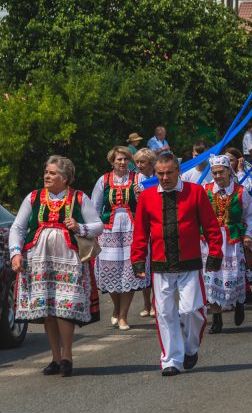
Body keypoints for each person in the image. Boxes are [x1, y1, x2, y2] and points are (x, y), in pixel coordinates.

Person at [9, 156, 104, 377]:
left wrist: (80, 227)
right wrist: (15, 253)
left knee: (65, 307)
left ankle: (68, 356)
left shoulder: (79, 198)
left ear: (65, 177)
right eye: (46, 172)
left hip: (68, 261)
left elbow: (98, 226)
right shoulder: (33, 198)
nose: (47, 176)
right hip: (38, 260)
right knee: (48, 309)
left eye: (52, 173)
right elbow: (18, 227)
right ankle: (55, 357)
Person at [131, 153, 224, 376]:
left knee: (192, 310)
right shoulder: (147, 197)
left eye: (169, 173)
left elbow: (211, 227)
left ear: (178, 171)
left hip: (190, 264)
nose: (164, 177)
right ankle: (171, 360)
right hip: (160, 265)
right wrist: (137, 258)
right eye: (160, 173)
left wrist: (215, 253)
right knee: (165, 314)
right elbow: (140, 232)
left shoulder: (195, 192)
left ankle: (191, 348)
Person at [92, 146, 147, 331]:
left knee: (129, 271)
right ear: (112, 161)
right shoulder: (103, 180)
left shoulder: (138, 178)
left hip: (132, 229)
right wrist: (94, 231)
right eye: (119, 160)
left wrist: (141, 196)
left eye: (125, 159)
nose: (123, 163)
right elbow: (95, 207)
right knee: (111, 272)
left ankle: (123, 316)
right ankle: (116, 307)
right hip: (109, 232)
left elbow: (149, 201)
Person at [203, 155, 252, 334]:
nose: (218, 176)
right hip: (211, 241)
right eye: (214, 173)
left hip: (233, 240)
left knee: (234, 276)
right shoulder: (206, 190)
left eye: (221, 172)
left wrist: (248, 235)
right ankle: (216, 318)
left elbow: (251, 216)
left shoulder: (240, 192)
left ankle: (239, 303)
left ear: (229, 171)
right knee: (211, 279)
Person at [133, 147, 156, 316]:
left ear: (151, 163)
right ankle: (146, 303)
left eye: (142, 162)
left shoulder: (158, 177)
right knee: (144, 263)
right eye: (137, 162)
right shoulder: (136, 178)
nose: (139, 165)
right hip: (142, 222)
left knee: (155, 264)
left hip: (157, 222)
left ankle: (155, 302)